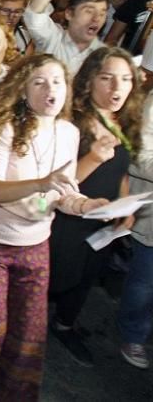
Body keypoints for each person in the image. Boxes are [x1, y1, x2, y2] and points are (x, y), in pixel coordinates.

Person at [0, 55, 110, 400]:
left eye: (57, 81)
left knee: (28, 339)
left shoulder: (68, 133)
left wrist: (86, 205)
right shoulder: (3, 128)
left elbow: (63, 194)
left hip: (35, 246)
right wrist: (41, 182)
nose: (50, 89)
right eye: (39, 81)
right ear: (23, 89)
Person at [48, 47, 141, 367]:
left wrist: (125, 206)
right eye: (108, 78)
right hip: (66, 219)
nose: (118, 88)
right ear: (89, 82)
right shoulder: (71, 122)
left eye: (126, 79)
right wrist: (93, 157)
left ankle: (64, 325)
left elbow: (122, 170)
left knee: (85, 278)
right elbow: (55, 184)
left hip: (101, 222)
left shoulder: (123, 121)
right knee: (54, 276)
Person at [119, 85, 153, 369]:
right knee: (144, 280)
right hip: (151, 212)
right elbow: (139, 158)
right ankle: (134, 335)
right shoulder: (150, 106)